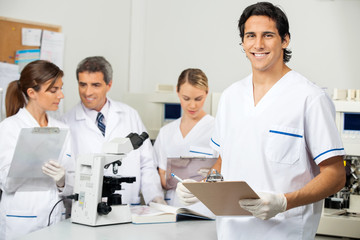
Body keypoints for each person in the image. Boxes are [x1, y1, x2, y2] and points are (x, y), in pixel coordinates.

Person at [176, 2, 346, 239]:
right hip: (230, 232)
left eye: (268, 35)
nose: (258, 44)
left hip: (285, 232)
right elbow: (224, 161)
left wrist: (284, 202)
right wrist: (200, 186)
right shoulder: (231, 97)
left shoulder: (310, 98)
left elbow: (336, 174)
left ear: (285, 40)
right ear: (243, 43)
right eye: (250, 36)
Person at [62, 56, 164, 205]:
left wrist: (155, 197)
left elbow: (147, 164)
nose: (87, 92)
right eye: (83, 84)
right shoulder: (66, 122)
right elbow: (67, 173)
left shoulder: (130, 115)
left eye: (95, 85)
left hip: (128, 205)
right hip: (86, 207)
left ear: (109, 85)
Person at [0, 60, 75, 240]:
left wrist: (62, 181)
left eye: (61, 88)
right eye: (53, 90)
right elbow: (6, 184)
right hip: (21, 223)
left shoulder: (62, 128)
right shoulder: (10, 127)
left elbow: (73, 184)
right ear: (32, 93)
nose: (61, 95)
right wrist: (31, 159)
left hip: (56, 219)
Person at [154, 68, 217, 206]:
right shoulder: (166, 132)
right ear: (177, 92)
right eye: (186, 98)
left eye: (198, 99)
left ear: (206, 93)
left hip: (205, 207)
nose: (192, 105)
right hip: (173, 208)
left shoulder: (217, 128)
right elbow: (162, 179)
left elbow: (225, 174)